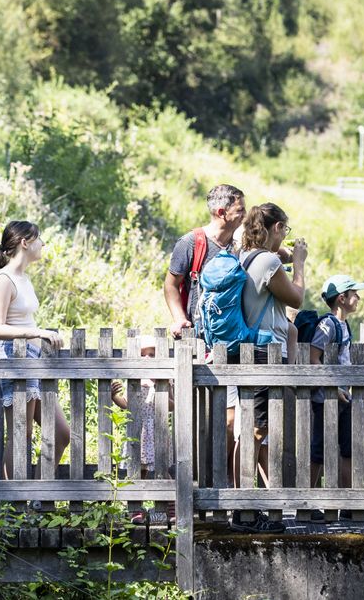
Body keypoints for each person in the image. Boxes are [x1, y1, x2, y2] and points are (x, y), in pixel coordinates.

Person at [229, 202, 307, 534]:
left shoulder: (245, 255)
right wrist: (300, 263)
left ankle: (244, 504)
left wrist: (286, 251)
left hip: (246, 350)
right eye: (284, 230)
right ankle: (244, 509)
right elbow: (296, 299)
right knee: (255, 433)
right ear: (275, 228)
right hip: (263, 353)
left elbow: (276, 257)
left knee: (251, 431)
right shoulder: (268, 262)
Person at [0, 221, 70, 482]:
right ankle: (13, 503)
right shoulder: (4, 279)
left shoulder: (25, 278)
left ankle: (36, 491)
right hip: (16, 357)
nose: (42, 243)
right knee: (21, 433)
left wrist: (40, 334)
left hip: (34, 359)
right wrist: (37, 333)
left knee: (60, 433)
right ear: (24, 242)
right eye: (38, 238)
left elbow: (23, 320)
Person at [308, 275, 364, 517]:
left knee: (348, 450)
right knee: (319, 451)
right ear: (341, 299)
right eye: (354, 294)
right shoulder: (328, 325)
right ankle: (310, 504)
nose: (358, 298)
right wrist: (334, 389)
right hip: (326, 399)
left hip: (343, 397)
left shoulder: (344, 326)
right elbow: (314, 358)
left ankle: (349, 505)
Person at [164, 184, 247, 342]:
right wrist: (180, 319)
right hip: (198, 337)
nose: (245, 215)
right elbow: (171, 285)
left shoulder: (241, 245)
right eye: (240, 210)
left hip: (235, 336)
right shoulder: (191, 242)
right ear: (221, 212)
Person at [109, 335, 175, 524]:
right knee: (138, 470)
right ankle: (136, 509)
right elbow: (127, 405)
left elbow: (171, 405)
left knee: (163, 470)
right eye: (142, 355)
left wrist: (159, 388)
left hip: (157, 431)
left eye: (152, 355)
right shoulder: (134, 380)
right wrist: (115, 397)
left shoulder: (164, 380)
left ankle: (171, 508)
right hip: (138, 431)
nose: (147, 359)